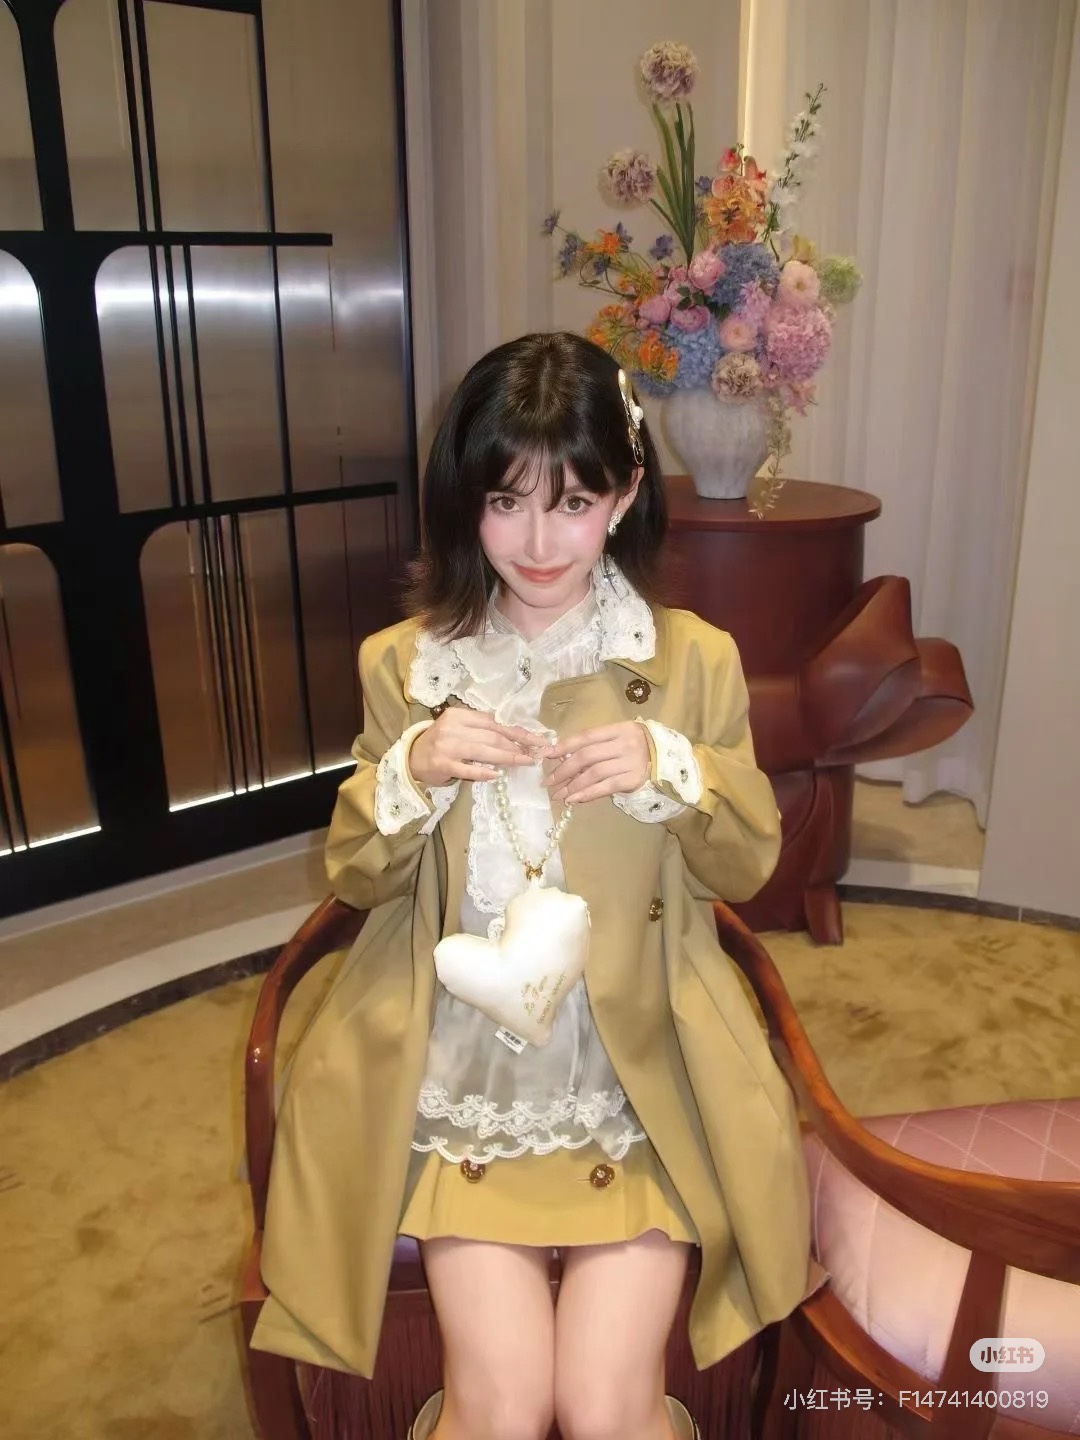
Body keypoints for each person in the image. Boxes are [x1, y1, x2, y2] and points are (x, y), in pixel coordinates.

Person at [251, 332, 824, 1440]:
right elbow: (358, 878)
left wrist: (672, 767)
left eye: (574, 502)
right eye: (506, 502)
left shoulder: (692, 659)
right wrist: (413, 768)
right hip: (459, 1075)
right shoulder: (404, 663)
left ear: (626, 495)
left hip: (639, 1076)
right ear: (465, 503)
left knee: (605, 1410)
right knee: (501, 1410)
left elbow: (748, 867)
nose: (539, 542)